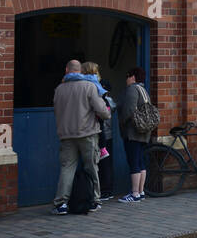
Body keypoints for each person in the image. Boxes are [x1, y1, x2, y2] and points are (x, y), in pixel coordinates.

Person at [53, 59, 111, 215]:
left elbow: (56, 110)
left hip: (66, 135)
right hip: (88, 134)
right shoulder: (89, 87)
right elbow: (102, 111)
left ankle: (61, 203)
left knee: (67, 169)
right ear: (80, 71)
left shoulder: (59, 89)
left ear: (67, 70)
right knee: (91, 167)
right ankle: (94, 200)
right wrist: (107, 112)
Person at [82, 61, 117, 201]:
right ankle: (103, 191)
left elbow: (105, 113)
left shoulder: (98, 92)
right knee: (101, 163)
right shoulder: (97, 89)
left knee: (101, 164)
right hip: (101, 133)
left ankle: (104, 191)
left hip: (100, 134)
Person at [119, 65, 151, 203]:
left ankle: (134, 193)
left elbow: (129, 111)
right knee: (140, 162)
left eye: (127, 76)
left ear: (132, 77)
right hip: (144, 131)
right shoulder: (143, 89)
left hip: (133, 132)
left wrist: (122, 121)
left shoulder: (132, 89)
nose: (126, 79)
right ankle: (141, 191)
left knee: (134, 162)